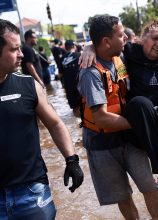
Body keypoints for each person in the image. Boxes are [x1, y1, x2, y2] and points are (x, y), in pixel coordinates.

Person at [77, 15, 158, 219]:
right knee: (123, 196)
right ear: (106, 41)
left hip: (129, 138)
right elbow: (101, 118)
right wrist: (144, 122)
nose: (125, 37)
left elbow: (157, 43)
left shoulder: (120, 56)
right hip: (102, 145)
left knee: (149, 186)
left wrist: (89, 45)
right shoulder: (90, 72)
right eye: (120, 34)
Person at [0, 19, 84, 220]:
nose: (21, 54)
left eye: (20, 48)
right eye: (14, 50)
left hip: (32, 191)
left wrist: (72, 160)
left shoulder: (29, 86)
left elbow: (55, 124)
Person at [61, 40, 81, 117]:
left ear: (65, 48)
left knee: (74, 108)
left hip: (68, 86)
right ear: (73, 46)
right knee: (84, 107)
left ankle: (77, 125)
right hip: (79, 85)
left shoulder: (62, 58)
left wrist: (63, 85)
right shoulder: (79, 55)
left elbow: (60, 74)